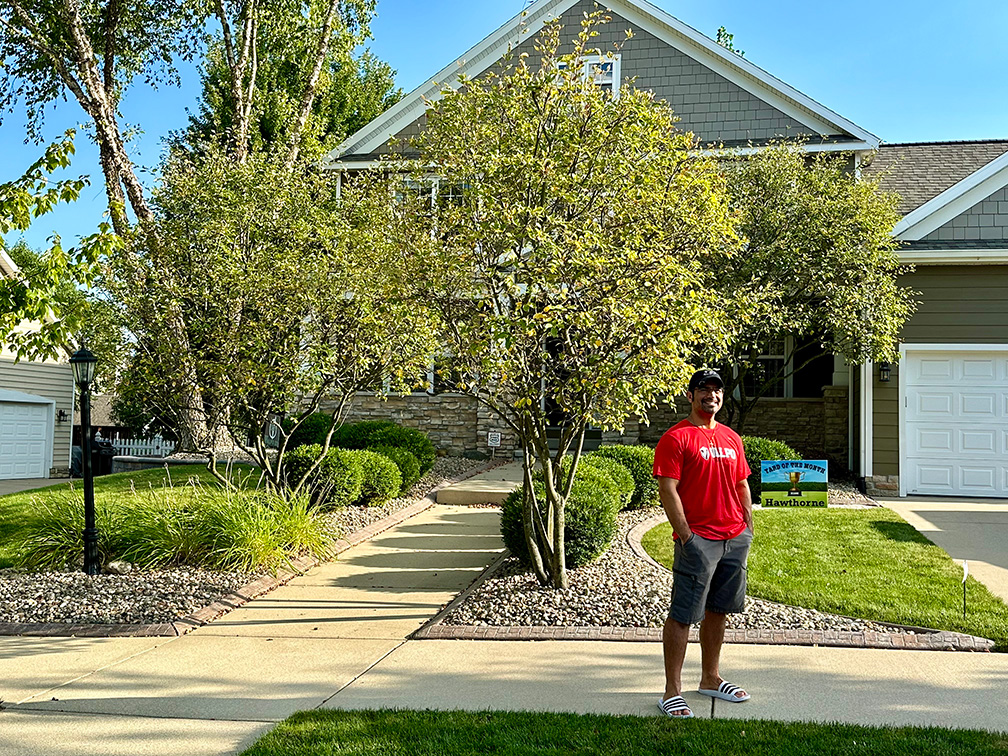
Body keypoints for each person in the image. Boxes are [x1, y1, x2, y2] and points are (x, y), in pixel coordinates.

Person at [652, 368, 754, 719]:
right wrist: (686, 536)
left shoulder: (731, 438)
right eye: (704, 389)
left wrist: (747, 528)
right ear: (691, 396)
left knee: (719, 610)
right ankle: (671, 692)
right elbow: (668, 490)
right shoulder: (676, 438)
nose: (711, 395)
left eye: (717, 389)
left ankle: (711, 679)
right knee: (683, 615)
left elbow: (741, 484)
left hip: (734, 537)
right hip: (699, 540)